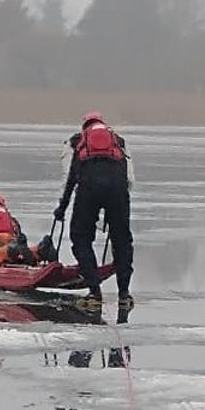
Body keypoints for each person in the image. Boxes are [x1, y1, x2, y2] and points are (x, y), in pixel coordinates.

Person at [54, 112, 134, 310]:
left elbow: (69, 178)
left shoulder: (75, 141)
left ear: (84, 126)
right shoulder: (119, 141)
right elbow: (130, 179)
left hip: (88, 189)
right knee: (122, 240)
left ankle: (94, 293)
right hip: (118, 191)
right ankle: (124, 294)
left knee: (80, 238)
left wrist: (61, 209)